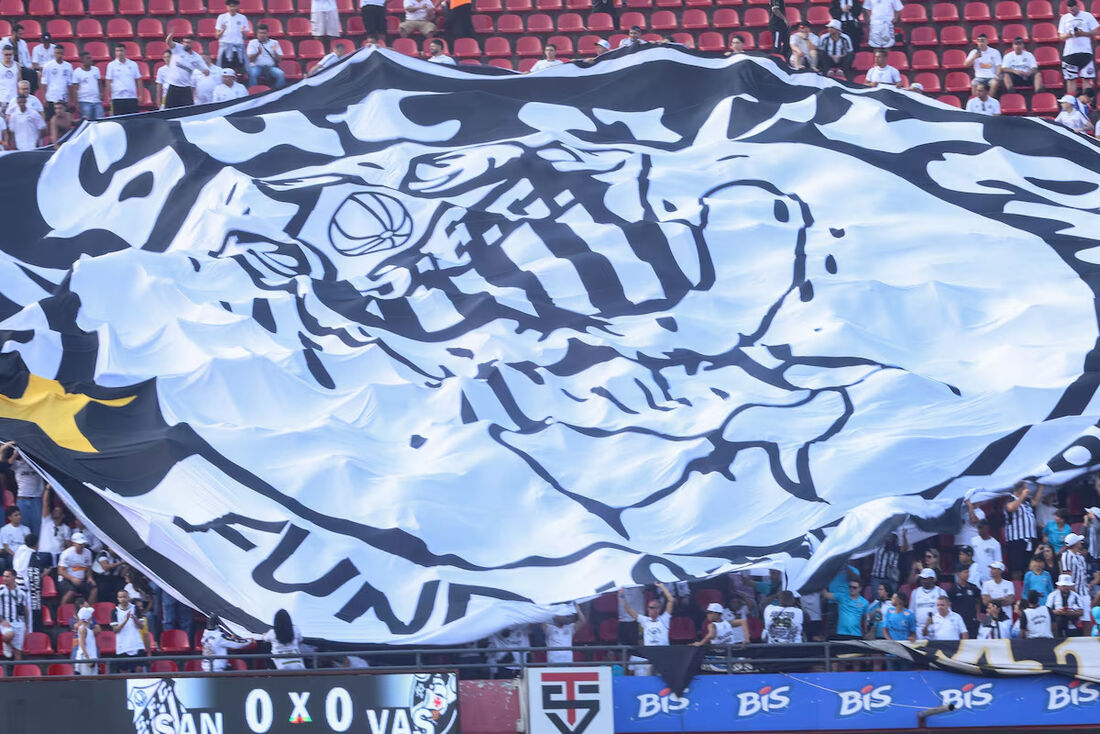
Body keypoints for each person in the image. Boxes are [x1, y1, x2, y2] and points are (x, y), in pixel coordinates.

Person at [1059, 0, 1099, 95]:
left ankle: (1087, 104)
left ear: (1077, 6)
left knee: (1086, 78)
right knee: (1071, 79)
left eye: (1073, 8)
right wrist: (1070, 34)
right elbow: (1061, 36)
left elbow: (1096, 31)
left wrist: (1083, 33)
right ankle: (1072, 104)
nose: (1071, 10)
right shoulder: (1064, 18)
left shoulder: (1087, 16)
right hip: (1069, 53)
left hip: (1085, 52)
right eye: (1069, 8)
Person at [1004, 481, 1041, 579]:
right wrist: (1022, 497)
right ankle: (1017, 591)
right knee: (1016, 568)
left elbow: (1035, 501)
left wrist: (1041, 485)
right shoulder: (1010, 499)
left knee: (1029, 566)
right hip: (1017, 540)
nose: (1028, 490)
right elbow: (1011, 508)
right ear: (1020, 489)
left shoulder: (1027, 501)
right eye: (1026, 488)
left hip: (1030, 539)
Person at [8, 447, 44, 538]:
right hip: (22, 499)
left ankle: (37, 549)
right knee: (23, 526)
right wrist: (15, 454)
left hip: (36, 499)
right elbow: (6, 464)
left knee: (38, 526)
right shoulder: (17, 464)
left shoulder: (38, 464)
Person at [163, 33, 206, 109]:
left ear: (193, 44)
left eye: (188, 42)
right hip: (173, 86)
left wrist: (199, 69)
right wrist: (170, 35)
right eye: (184, 42)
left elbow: (206, 71)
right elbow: (168, 42)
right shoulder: (178, 48)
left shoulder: (196, 57)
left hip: (185, 88)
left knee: (188, 111)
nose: (186, 44)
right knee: (169, 111)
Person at [112, 588, 147, 673]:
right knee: (124, 671)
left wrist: (135, 619)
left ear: (128, 597)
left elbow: (142, 626)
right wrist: (126, 620)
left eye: (124, 597)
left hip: (136, 644)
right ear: (118, 599)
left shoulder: (135, 609)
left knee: (139, 669)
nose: (123, 599)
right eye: (120, 597)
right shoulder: (115, 611)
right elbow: (115, 630)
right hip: (122, 646)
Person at [58, 532, 97, 606]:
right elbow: (60, 571)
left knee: (94, 590)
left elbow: (88, 567)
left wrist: (90, 577)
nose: (81, 546)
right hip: (66, 579)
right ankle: (61, 610)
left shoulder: (88, 553)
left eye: (83, 544)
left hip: (81, 580)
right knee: (70, 592)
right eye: (79, 544)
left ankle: (88, 610)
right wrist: (72, 579)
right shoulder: (66, 553)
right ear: (74, 543)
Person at [105, 44, 142, 117]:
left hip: (131, 97)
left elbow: (139, 80)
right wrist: (109, 95)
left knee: (133, 119)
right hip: (117, 97)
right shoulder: (111, 65)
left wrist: (141, 95)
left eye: (121, 50)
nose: (119, 53)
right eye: (117, 51)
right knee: (119, 120)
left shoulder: (133, 64)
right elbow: (108, 81)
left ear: (125, 51)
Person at [910, 567, 947, 638]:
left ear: (933, 579)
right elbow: (912, 611)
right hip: (919, 629)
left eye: (925, 579)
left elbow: (946, 611)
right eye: (922, 578)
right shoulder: (915, 592)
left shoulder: (940, 592)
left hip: (937, 628)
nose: (923, 581)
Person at [215, 0, 251, 74]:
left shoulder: (243, 18)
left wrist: (243, 32)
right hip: (226, 47)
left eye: (234, 6)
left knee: (239, 72)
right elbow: (217, 36)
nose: (232, 8)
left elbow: (245, 37)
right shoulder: (221, 17)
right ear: (227, 7)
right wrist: (223, 30)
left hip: (238, 48)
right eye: (230, 6)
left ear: (237, 6)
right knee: (225, 71)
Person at [40, 44, 73, 121]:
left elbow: (70, 84)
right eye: (57, 53)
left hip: (63, 98)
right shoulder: (48, 66)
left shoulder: (68, 66)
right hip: (51, 98)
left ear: (63, 53)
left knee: (64, 121)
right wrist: (44, 97)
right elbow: (44, 83)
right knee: (50, 120)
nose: (59, 55)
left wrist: (70, 99)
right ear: (54, 53)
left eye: (61, 53)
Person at [247, 24, 286, 90]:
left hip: (270, 67)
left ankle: (278, 93)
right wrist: (258, 53)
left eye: (264, 33)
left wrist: (275, 52)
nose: (262, 35)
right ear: (257, 34)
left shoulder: (274, 43)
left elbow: (279, 59)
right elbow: (250, 59)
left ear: (267, 33)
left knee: (281, 74)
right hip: (256, 66)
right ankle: (252, 93)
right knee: (252, 73)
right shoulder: (252, 42)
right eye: (260, 33)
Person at [0, 569, 28, 660]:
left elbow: (25, 610)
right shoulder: (0, 590)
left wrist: (26, 626)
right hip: (4, 621)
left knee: (18, 652)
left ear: (14, 577)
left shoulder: (21, 593)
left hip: (19, 623)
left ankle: (17, 673)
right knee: (9, 635)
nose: (5, 578)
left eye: (7, 576)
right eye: (4, 576)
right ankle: (6, 643)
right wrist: (2, 620)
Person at [948, 565, 982, 638]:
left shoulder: (973, 587)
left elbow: (978, 601)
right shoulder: (952, 590)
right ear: (958, 573)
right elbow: (949, 605)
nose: (968, 574)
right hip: (959, 621)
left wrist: (978, 614)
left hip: (972, 620)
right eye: (965, 572)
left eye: (968, 572)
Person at [1061, 532, 1089, 601]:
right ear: (1076, 543)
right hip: (1074, 594)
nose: (1080, 542)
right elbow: (1067, 576)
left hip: (1084, 592)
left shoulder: (1080, 557)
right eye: (1079, 541)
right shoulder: (1066, 556)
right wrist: (1075, 593)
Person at [74, 604, 98, 675]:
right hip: (86, 659)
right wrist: (88, 659)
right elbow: (82, 644)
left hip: (91, 658)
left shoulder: (87, 629)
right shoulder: (83, 629)